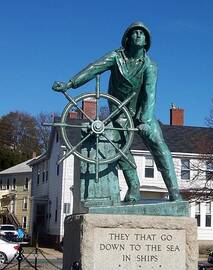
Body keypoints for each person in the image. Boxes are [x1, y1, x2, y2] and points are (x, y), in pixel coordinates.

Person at [52, 22, 182, 203]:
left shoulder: (150, 65)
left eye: (142, 33)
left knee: (159, 145)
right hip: (119, 110)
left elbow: (149, 93)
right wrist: (70, 84)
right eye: (134, 32)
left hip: (142, 110)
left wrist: (144, 120)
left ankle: (174, 191)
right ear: (127, 38)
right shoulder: (116, 57)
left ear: (146, 41)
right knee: (120, 147)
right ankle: (134, 186)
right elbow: (93, 68)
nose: (138, 35)